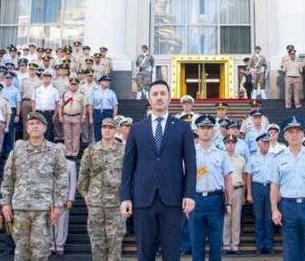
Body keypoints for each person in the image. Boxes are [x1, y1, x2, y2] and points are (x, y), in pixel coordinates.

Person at [120, 80, 196, 261]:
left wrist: (190, 194)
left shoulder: (182, 128)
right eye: (155, 94)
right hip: (143, 200)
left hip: (173, 200)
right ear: (149, 98)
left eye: (163, 94)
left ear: (170, 98)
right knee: (145, 253)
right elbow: (128, 165)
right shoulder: (137, 129)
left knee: (172, 253)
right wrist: (125, 197)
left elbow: (191, 164)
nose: (159, 98)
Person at [0, 112, 69, 261]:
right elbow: (8, 179)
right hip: (20, 209)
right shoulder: (17, 151)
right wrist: (5, 203)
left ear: (45, 128)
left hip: (43, 210)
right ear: (27, 128)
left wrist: (58, 206)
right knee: (21, 252)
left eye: (38, 124)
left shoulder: (55, 151)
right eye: (31, 124)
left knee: (41, 253)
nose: (35, 126)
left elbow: (63, 180)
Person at [268, 115, 305, 261]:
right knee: (290, 247)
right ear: (285, 136)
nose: (294, 134)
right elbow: (274, 185)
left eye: (297, 131)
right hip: (288, 206)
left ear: (303, 134)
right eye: (290, 132)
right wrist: (274, 209)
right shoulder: (278, 157)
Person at [77, 116, 124, 261]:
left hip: (116, 204)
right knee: (97, 244)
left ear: (115, 130)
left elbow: (130, 176)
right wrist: (85, 194)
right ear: (101, 129)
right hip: (96, 204)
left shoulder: (123, 150)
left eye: (110, 128)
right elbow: (83, 175)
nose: (107, 130)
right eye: (105, 127)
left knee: (115, 244)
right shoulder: (91, 150)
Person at [190, 114, 232, 261]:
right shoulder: (190, 153)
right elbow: (184, 179)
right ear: (197, 130)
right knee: (197, 243)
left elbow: (228, 179)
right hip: (196, 200)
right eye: (202, 128)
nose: (206, 131)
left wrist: (229, 202)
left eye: (208, 128)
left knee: (216, 244)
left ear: (214, 131)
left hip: (215, 200)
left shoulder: (221, 154)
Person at [246, 133, 275, 254]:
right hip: (257, 187)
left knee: (269, 218)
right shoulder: (253, 158)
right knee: (259, 218)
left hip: (270, 187)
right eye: (264, 142)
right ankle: (259, 246)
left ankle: (269, 246)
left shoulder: (274, 157)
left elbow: (277, 177)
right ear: (258, 143)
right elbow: (248, 176)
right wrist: (249, 194)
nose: (266, 145)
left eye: (268, 142)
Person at [223, 135, 246, 254]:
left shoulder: (241, 159)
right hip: (225, 191)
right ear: (225, 144)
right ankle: (226, 245)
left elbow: (244, 176)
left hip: (238, 189)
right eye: (228, 143)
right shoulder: (221, 157)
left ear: (235, 144)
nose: (230, 145)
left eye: (232, 143)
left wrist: (244, 195)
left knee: (236, 218)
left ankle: (235, 245)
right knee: (227, 218)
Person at [52, 156, 77, 254]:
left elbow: (73, 183)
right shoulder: (50, 162)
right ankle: (51, 244)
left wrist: (71, 199)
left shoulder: (71, 164)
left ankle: (59, 246)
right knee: (51, 223)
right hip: (51, 199)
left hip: (64, 199)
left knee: (62, 224)